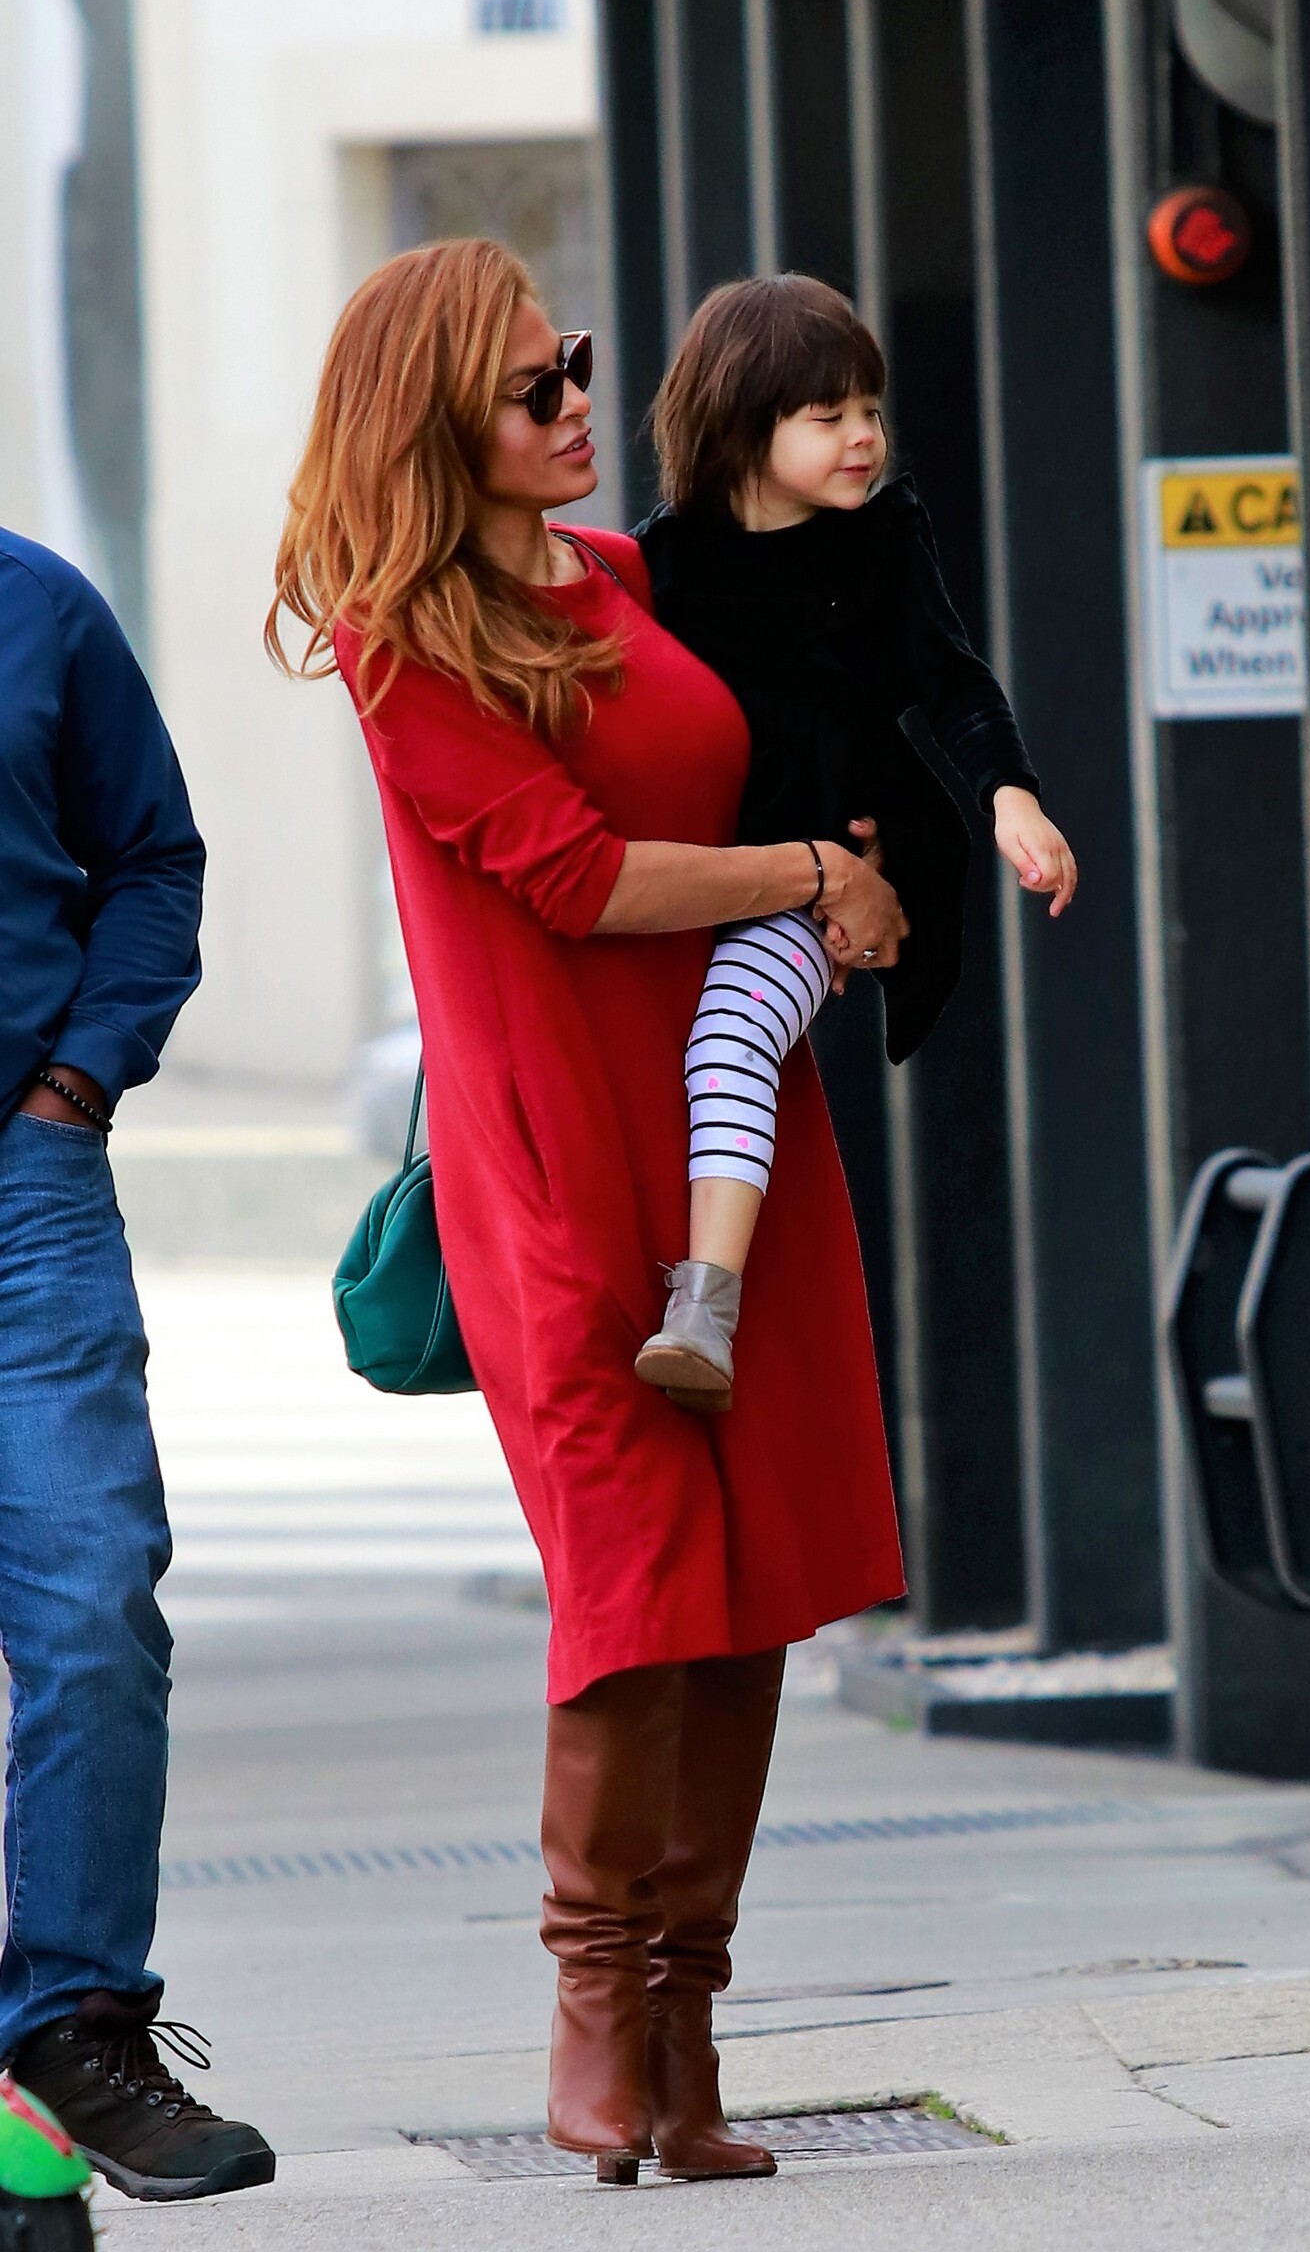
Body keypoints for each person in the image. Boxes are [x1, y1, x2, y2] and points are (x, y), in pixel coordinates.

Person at [267, 239, 907, 2186]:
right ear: (432, 422)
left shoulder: (627, 577)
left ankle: (685, 2044)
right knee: (637, 1587)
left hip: (728, 1147)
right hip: (557, 1165)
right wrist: (804, 872)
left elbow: (820, 674)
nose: (573, 407)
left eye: (578, 368)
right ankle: (592, 2016)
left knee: (752, 1587)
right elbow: (573, 878)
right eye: (532, 387)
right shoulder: (401, 640)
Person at [632, 274, 1077, 1409]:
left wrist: (1011, 799)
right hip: (698, 879)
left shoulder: (883, 541)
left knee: (734, 1035)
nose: (864, 437)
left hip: (833, 873)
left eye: (870, 410)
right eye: (827, 416)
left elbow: (955, 684)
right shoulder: (660, 564)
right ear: (742, 425)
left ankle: (704, 1308)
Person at [0, 529, 275, 2203]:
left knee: (94, 1594)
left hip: (21, 1182)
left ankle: (76, 2030)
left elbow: (154, 857)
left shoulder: (36, 607)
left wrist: (83, 1076)